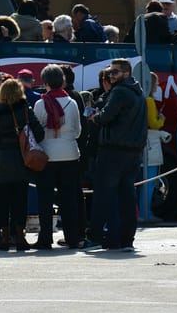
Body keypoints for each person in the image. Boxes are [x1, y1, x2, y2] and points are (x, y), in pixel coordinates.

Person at [89, 58, 148, 250]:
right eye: (109, 73)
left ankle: (99, 237)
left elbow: (106, 116)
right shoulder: (138, 92)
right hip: (133, 152)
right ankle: (126, 239)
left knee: (105, 196)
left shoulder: (120, 91)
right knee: (127, 197)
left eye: (115, 72)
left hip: (113, 150)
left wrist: (95, 117)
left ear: (126, 73)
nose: (110, 76)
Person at [0, 78, 45, 251]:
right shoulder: (25, 109)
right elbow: (39, 133)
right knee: (20, 199)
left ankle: (4, 237)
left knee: (1, 201)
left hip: (0, 159)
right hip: (20, 159)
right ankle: (19, 237)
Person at [31, 64, 83, 249]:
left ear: (45, 82)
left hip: (47, 156)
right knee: (69, 199)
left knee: (44, 199)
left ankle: (45, 238)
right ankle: (72, 237)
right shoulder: (72, 103)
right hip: (69, 154)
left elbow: (36, 131)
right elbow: (77, 131)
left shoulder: (40, 103)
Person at [142, 72, 167, 220]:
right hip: (151, 144)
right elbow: (154, 124)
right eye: (156, 83)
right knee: (149, 182)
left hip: (142, 143)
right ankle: (146, 213)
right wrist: (161, 119)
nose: (158, 86)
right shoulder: (149, 101)